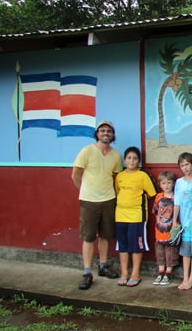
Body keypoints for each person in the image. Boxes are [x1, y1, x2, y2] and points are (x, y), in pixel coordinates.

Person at [72, 120, 123, 290]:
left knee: (105, 235)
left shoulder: (116, 155)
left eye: (109, 131)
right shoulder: (87, 151)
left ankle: (103, 266)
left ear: (112, 134)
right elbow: (76, 175)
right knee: (88, 237)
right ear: (97, 133)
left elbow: (116, 178)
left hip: (108, 200)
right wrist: (86, 191)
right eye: (102, 130)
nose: (105, 133)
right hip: (89, 201)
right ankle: (87, 272)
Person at [114, 146, 157, 287]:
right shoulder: (119, 176)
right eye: (129, 158)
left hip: (137, 217)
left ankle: (135, 273)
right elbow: (117, 192)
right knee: (123, 246)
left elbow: (152, 193)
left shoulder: (142, 176)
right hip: (120, 216)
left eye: (135, 158)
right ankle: (124, 273)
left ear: (138, 161)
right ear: (125, 160)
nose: (132, 161)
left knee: (136, 246)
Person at [173, 152, 192, 290]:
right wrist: (175, 220)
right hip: (184, 223)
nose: (185, 168)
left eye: (187, 164)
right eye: (182, 165)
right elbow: (177, 203)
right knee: (185, 252)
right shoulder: (179, 183)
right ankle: (185, 277)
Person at [152, 171, 179, 286]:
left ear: (173, 184)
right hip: (160, 230)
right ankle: (160, 271)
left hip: (171, 230)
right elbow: (155, 211)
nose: (166, 185)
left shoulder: (176, 197)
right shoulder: (159, 197)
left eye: (169, 182)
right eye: (163, 183)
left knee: (170, 252)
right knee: (160, 251)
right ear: (160, 184)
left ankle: (168, 272)